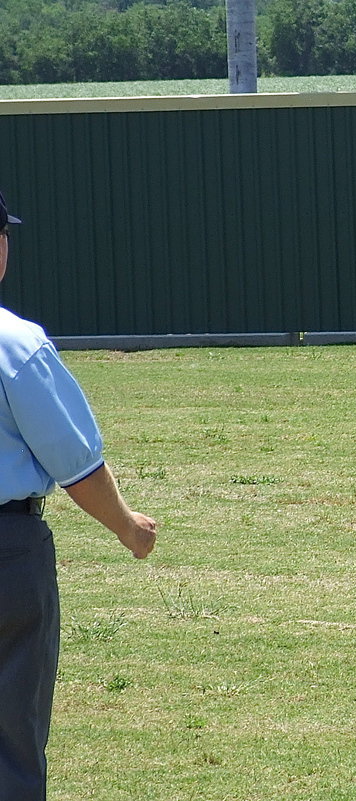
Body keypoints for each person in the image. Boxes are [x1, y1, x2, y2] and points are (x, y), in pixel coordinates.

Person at [0, 188, 158, 801]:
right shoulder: (14, 345)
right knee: (11, 733)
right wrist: (127, 526)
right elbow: (75, 464)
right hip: (7, 551)